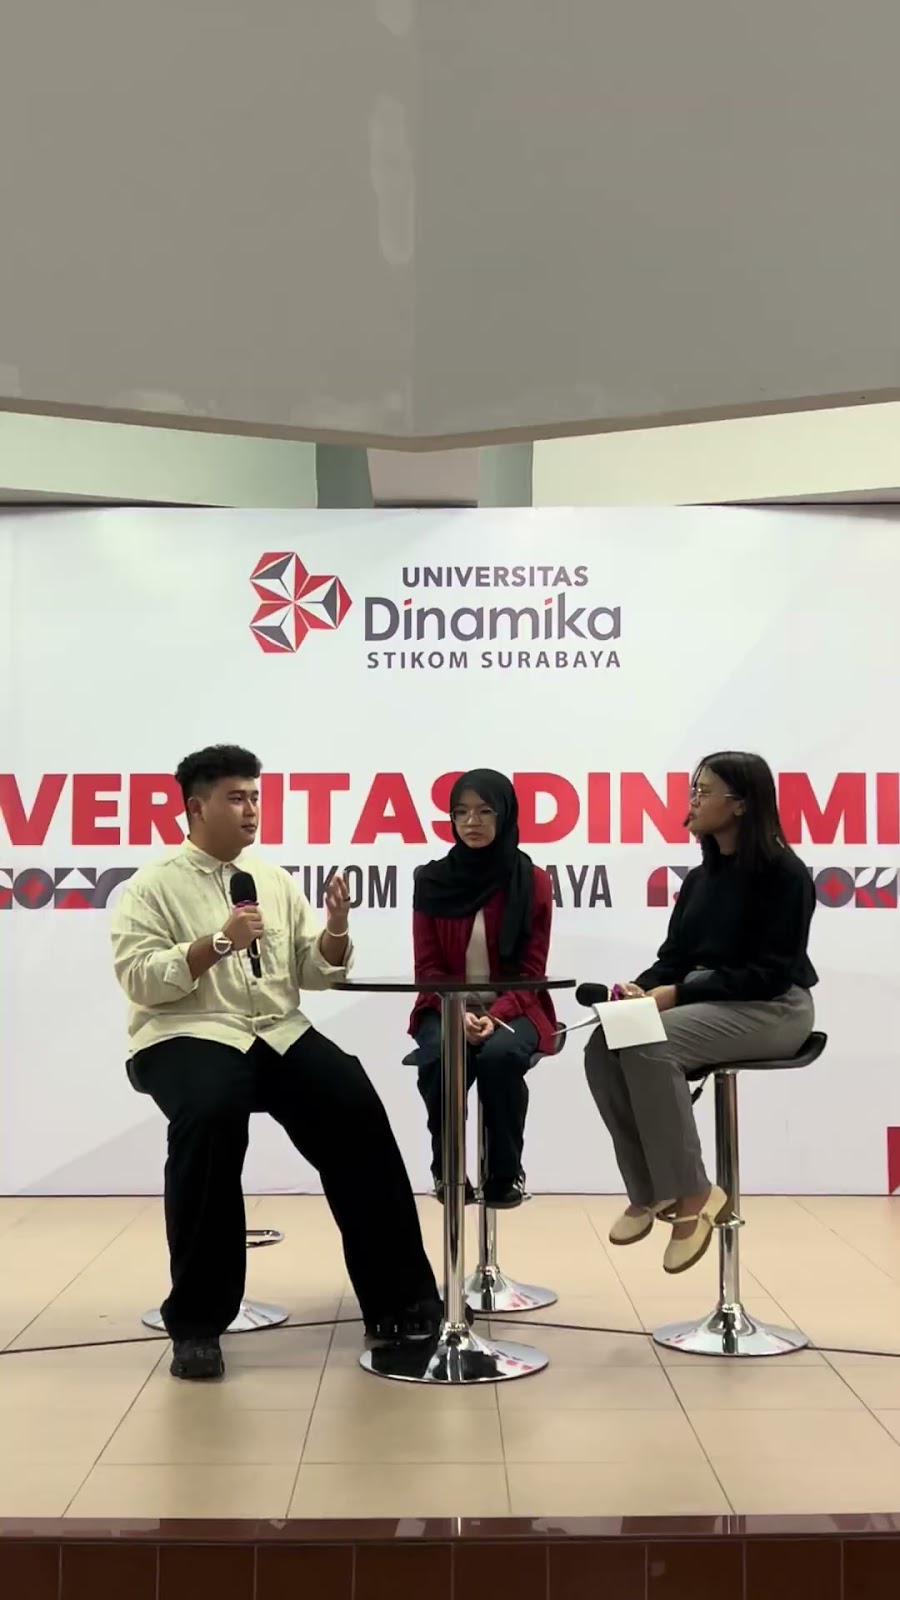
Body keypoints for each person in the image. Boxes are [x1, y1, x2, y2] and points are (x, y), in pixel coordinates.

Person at [110, 744, 440, 1381]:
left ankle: (401, 1302)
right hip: (187, 1032)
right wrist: (217, 942)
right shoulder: (150, 887)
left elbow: (312, 972)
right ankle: (198, 1324)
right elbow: (142, 979)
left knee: (353, 1104)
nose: (251, 810)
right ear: (196, 807)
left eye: (255, 797)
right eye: (236, 798)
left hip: (277, 1030)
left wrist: (335, 928)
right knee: (210, 1115)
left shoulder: (273, 879)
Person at [584, 751, 817, 1276]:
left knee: (651, 1041)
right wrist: (641, 988)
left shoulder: (786, 874)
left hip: (774, 1008)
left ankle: (694, 1192)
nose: (691, 801)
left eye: (703, 791)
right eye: (693, 789)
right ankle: (651, 1190)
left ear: (740, 805)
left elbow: (770, 974)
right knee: (603, 1042)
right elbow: (674, 958)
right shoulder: (699, 880)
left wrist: (677, 994)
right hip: (709, 1003)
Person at [409, 769, 556, 1209]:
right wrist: (458, 1014)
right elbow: (428, 968)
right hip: (443, 1006)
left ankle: (505, 1174)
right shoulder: (431, 880)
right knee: (440, 1058)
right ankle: (448, 1170)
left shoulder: (533, 881)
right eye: (461, 812)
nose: (471, 822)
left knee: (500, 1057)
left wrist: (495, 1016)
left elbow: (532, 971)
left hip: (517, 1008)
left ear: (505, 814)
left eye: (484, 811)